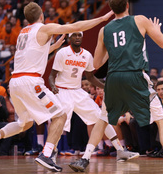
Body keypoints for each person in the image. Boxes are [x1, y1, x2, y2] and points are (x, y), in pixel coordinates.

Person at [0, 1, 114, 172]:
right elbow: (75, 26)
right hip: (30, 82)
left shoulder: (23, 32)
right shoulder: (43, 28)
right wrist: (101, 18)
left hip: (15, 82)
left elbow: (33, 53)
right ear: (41, 15)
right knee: (60, 116)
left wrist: (53, 47)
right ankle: (46, 154)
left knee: (24, 124)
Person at [69, 0, 163, 172]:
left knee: (102, 120)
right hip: (135, 75)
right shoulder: (140, 20)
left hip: (114, 78)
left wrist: (112, 49)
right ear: (127, 5)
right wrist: (158, 31)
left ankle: (84, 159)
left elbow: (97, 63)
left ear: (112, 9)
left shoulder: (104, 30)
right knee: (161, 120)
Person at [49, 31, 139, 160]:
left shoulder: (86, 55)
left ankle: (120, 150)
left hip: (77, 91)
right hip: (62, 91)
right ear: (70, 37)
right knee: (59, 123)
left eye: (80, 35)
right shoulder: (62, 53)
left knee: (100, 118)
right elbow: (52, 74)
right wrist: (52, 85)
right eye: (74, 35)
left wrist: (106, 87)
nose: (77, 37)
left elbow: (90, 77)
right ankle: (49, 153)